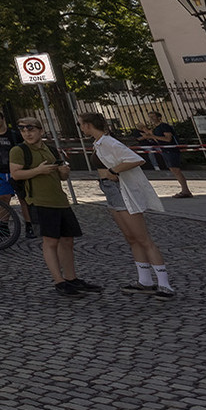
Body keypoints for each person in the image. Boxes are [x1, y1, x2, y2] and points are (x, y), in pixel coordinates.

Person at [81, 112, 175, 299]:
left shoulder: (109, 142)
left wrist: (113, 170)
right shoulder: (99, 142)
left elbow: (135, 159)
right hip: (111, 191)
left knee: (143, 238)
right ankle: (145, 280)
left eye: (81, 124)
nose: (81, 128)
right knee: (131, 238)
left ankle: (165, 284)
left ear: (89, 125)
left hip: (120, 190)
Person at [9, 118, 100, 297]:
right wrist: (38, 171)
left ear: (40, 131)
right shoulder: (19, 150)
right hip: (40, 201)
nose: (27, 133)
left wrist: (63, 173)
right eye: (23, 130)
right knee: (50, 242)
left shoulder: (49, 149)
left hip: (60, 200)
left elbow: (60, 175)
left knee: (68, 240)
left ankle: (71, 278)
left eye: (31, 129)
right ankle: (59, 282)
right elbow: (16, 174)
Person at [0, 111, 34, 237]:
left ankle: (29, 225)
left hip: (17, 170)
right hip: (0, 170)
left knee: (24, 199)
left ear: (3, 119)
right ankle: (3, 226)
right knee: (3, 199)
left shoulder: (14, 134)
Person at [141, 112, 193, 198]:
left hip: (171, 149)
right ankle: (185, 190)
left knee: (176, 170)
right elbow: (158, 141)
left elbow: (168, 139)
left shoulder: (164, 126)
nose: (151, 119)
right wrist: (150, 136)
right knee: (173, 170)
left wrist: (152, 136)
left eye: (153, 116)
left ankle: (185, 190)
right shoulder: (156, 128)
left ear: (159, 117)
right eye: (150, 117)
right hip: (165, 150)